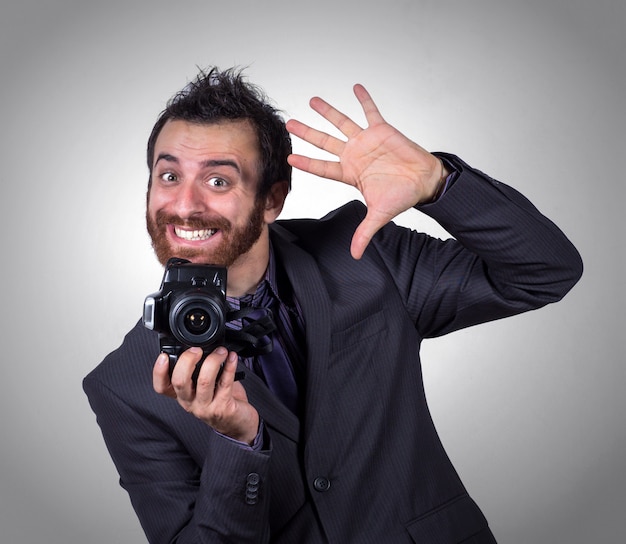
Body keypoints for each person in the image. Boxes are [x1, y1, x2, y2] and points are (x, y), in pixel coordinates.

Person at [83, 66, 583, 544]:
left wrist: (438, 183)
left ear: (272, 198)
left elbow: (543, 272)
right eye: (168, 177)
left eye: (218, 181)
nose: (185, 204)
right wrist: (238, 445)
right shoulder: (124, 386)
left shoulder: (367, 256)